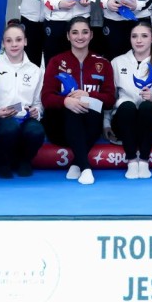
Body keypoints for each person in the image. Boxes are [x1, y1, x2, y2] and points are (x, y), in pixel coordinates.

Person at [41, 17, 114, 184]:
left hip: (89, 125)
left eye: (84, 32)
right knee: (72, 110)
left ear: (91, 35)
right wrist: (65, 101)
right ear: (68, 36)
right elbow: (46, 98)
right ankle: (86, 168)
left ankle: (77, 164)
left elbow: (110, 99)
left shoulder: (103, 63)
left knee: (92, 110)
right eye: (75, 32)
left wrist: (89, 96)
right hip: (60, 127)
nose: (80, 37)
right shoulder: (56, 62)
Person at [111, 20, 152, 178]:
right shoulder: (117, 62)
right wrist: (106, 124)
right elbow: (111, 98)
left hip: (151, 124)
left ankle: (144, 161)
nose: (139, 40)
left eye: (144, 36)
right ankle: (132, 161)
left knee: (146, 106)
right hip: (124, 122)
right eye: (135, 36)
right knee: (127, 106)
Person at [0, 21, 46, 178]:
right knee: (9, 128)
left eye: (18, 40)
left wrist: (37, 112)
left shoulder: (35, 71)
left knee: (36, 131)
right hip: (0, 119)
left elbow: (38, 103)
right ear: (3, 43)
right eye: (9, 40)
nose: (14, 44)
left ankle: (24, 161)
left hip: (25, 118)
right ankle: (2, 162)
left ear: (25, 41)